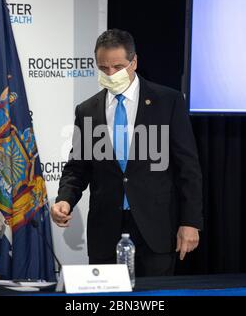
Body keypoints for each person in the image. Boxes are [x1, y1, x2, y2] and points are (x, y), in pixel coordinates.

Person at [51, 29, 203, 276]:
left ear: (134, 62)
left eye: (117, 67)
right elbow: (77, 166)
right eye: (103, 68)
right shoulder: (87, 110)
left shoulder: (168, 102)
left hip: (155, 229)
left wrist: (191, 221)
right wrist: (65, 199)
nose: (110, 74)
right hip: (105, 230)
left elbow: (188, 167)